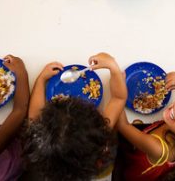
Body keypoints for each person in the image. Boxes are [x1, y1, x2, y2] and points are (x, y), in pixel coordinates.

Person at [24, 52, 127, 180]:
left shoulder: (40, 144)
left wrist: (41, 80)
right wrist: (114, 68)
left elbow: (34, 117)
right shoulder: (98, 141)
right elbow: (118, 98)